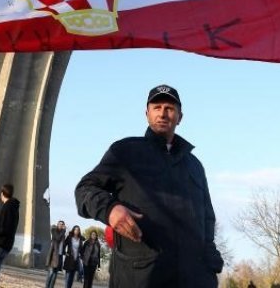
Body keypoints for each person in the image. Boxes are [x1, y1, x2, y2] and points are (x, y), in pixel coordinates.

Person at [74, 84, 224, 287]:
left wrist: (210, 256)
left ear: (180, 117)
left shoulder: (194, 165)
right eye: (157, 107)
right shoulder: (125, 151)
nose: (163, 113)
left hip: (194, 278)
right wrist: (110, 209)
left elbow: (208, 217)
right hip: (140, 276)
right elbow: (85, 189)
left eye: (170, 108)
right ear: (147, 114)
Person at [45, 220, 67, 288]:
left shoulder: (63, 234)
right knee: (51, 273)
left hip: (59, 256)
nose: (61, 225)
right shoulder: (54, 230)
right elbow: (57, 238)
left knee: (55, 274)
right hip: (53, 256)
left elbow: (62, 245)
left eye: (62, 224)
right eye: (60, 224)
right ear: (57, 225)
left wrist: (65, 252)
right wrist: (63, 231)